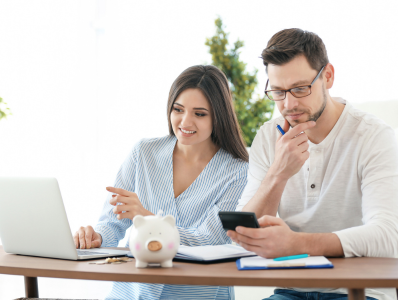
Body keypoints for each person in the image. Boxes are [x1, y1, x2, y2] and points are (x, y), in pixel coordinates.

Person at [228, 28, 398, 300]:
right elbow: (244, 235)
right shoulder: (268, 136)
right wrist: (278, 174)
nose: (289, 103)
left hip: (360, 292)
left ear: (327, 76)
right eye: (278, 92)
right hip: (291, 292)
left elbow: (386, 236)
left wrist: (297, 244)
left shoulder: (374, 136)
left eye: (300, 88)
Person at [73, 65, 249, 300]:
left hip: (197, 293)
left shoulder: (238, 171)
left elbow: (212, 241)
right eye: (178, 109)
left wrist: (148, 219)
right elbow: (113, 221)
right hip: (133, 291)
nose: (185, 122)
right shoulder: (143, 152)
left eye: (199, 113)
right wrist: (97, 236)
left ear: (219, 116)